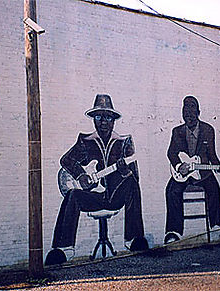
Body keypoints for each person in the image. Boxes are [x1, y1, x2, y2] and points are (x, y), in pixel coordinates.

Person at [45, 94, 149, 265]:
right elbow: (66, 160)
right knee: (72, 195)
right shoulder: (85, 141)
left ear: (114, 120)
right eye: (99, 117)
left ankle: (134, 238)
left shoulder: (123, 142)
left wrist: (124, 172)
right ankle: (62, 249)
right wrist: (81, 175)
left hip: (115, 197)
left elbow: (135, 177)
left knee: (132, 184)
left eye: (108, 117)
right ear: (93, 119)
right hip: (94, 197)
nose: (103, 122)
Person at [164, 96, 220, 244]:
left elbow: (212, 155)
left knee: (214, 188)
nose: (189, 117)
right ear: (182, 114)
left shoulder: (208, 130)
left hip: (204, 174)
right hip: (183, 174)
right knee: (171, 190)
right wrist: (180, 166)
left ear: (198, 113)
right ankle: (173, 232)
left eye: (192, 114)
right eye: (186, 114)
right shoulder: (177, 131)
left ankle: (216, 226)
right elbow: (171, 153)